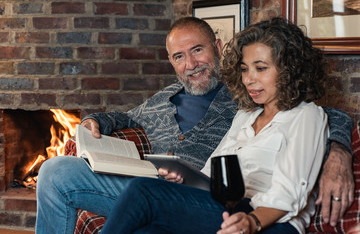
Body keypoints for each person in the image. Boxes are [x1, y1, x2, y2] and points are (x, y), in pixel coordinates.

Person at [35, 17, 354, 234]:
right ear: (171, 62)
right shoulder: (242, 110)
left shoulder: (243, 98)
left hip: (261, 214)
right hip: (193, 193)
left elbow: (324, 120)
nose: (190, 64)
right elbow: (126, 117)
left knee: (142, 193)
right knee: (55, 170)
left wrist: (339, 150)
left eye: (197, 50)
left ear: (216, 46)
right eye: (179, 57)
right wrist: (94, 120)